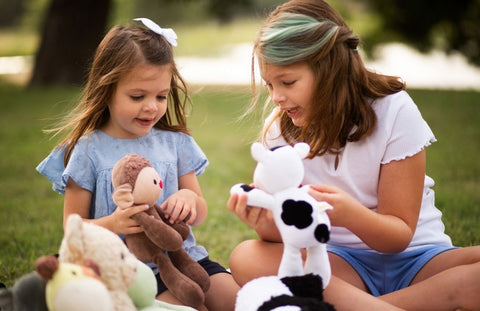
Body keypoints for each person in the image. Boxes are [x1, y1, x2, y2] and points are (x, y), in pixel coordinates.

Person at [227, 0, 480, 310]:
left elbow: (398, 236)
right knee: (247, 257)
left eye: (288, 82)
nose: (277, 97)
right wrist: (264, 221)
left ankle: (357, 305)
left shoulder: (393, 110)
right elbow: (291, 237)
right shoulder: (280, 132)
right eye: (270, 85)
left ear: (329, 69)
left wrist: (349, 214)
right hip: (336, 265)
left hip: (418, 259)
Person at [37, 18, 239, 311]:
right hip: (131, 275)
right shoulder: (89, 150)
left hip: (189, 260)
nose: (152, 107)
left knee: (244, 301)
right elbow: (73, 229)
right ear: (107, 89)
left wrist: (189, 200)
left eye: (161, 96)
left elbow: (201, 209)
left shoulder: (175, 142)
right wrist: (113, 223)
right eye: (137, 96)